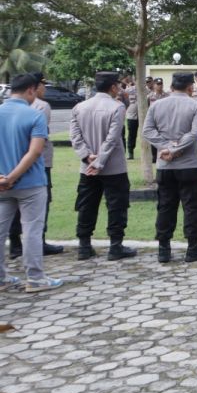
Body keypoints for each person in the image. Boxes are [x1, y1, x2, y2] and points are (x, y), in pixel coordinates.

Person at [0, 73, 62, 292]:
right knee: (32, 231)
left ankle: (1, 278)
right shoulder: (34, 115)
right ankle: (35, 278)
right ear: (30, 90)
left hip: (1, 185)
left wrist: (4, 178)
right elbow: (35, 152)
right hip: (30, 184)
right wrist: (13, 177)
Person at [142, 71, 197, 264]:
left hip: (165, 165)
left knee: (165, 206)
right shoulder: (195, 105)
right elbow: (195, 133)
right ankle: (193, 248)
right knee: (192, 207)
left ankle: (164, 249)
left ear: (171, 87)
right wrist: (176, 148)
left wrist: (165, 147)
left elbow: (147, 131)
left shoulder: (157, 105)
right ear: (190, 87)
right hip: (189, 165)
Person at [70, 71, 135, 261]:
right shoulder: (117, 107)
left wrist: (87, 156)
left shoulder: (80, 107)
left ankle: (84, 245)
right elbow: (113, 138)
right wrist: (99, 161)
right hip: (113, 167)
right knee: (117, 206)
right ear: (113, 87)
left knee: (86, 205)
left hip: (87, 167)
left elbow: (75, 136)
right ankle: (115, 246)